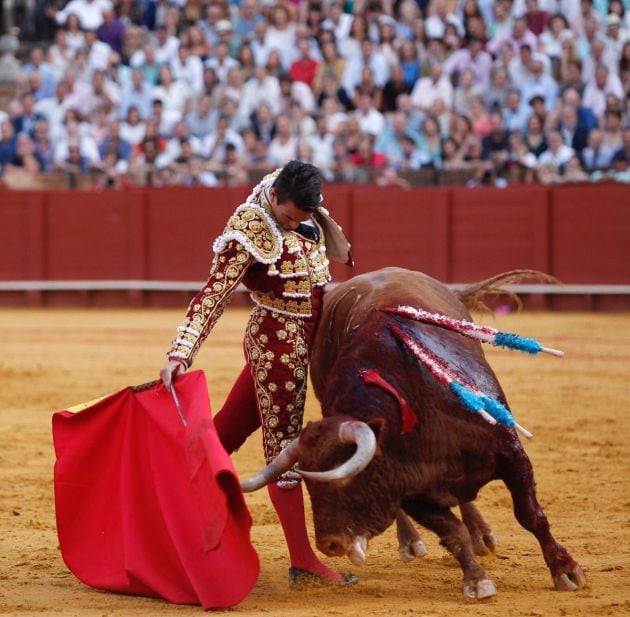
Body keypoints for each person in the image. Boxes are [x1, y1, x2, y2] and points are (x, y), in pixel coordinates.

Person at [159, 161, 356, 586]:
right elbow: (213, 293)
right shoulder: (248, 228)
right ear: (275, 199)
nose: (292, 224)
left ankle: (165, 505)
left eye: (300, 219)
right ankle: (303, 560)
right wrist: (181, 352)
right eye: (286, 217)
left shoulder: (299, 195)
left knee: (226, 432)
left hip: (314, 338)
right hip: (278, 343)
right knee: (285, 450)